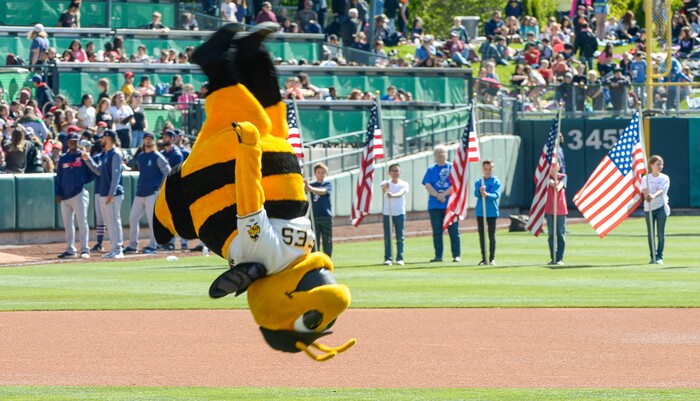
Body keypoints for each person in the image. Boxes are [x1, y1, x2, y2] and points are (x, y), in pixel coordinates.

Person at [124, 132, 171, 255]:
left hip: (152, 192)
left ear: (154, 141)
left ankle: (153, 244)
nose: (148, 141)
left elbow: (168, 171)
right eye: (146, 139)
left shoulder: (157, 156)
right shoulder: (140, 156)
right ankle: (132, 245)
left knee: (152, 220)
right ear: (143, 141)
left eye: (150, 139)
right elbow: (134, 168)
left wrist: (160, 186)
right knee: (133, 218)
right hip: (141, 192)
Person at [82, 129, 125, 259]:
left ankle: (118, 249)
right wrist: (88, 160)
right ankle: (114, 249)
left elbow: (116, 175)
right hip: (104, 192)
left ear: (109, 138)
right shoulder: (106, 153)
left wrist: (111, 193)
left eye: (104, 138)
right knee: (109, 222)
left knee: (114, 221)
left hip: (112, 194)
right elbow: (99, 171)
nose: (102, 140)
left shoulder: (115, 153)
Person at [54, 132, 93, 259]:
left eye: (75, 141)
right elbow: (58, 177)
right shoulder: (63, 158)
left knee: (82, 222)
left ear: (78, 142)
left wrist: (82, 181)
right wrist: (58, 193)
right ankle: (70, 249)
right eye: (70, 141)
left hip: (79, 193)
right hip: (65, 195)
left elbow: (93, 172)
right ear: (67, 142)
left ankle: (85, 249)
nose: (72, 143)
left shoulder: (83, 156)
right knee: (68, 224)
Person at [422, 144, 460, 262]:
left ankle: (456, 255)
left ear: (447, 154)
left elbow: (455, 184)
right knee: (437, 232)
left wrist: (444, 195)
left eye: (442, 152)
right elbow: (427, 184)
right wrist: (438, 195)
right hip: (435, 205)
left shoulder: (453, 168)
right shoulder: (431, 169)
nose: (440, 155)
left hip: (450, 205)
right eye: (438, 153)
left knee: (453, 231)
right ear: (435, 155)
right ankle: (438, 256)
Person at [641, 155, 670, 265]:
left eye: (661, 164)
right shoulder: (645, 178)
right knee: (651, 233)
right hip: (649, 209)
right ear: (651, 165)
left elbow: (662, 190)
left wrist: (653, 196)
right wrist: (647, 196)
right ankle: (653, 256)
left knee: (660, 233)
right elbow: (644, 191)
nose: (660, 166)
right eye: (658, 164)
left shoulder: (665, 178)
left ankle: (659, 256)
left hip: (661, 208)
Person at [474, 159, 501, 266]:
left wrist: (487, 195)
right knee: (482, 235)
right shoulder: (478, 181)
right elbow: (476, 194)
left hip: (492, 212)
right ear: (482, 169)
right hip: (481, 212)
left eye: (489, 169)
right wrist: (480, 191)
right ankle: (484, 257)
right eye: (485, 169)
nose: (487, 171)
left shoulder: (496, 181)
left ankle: (491, 258)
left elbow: (496, 195)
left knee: (491, 235)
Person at [381, 163, 409, 266]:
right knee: (388, 236)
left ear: (400, 172)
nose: (395, 173)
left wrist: (392, 195)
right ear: (389, 173)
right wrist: (386, 188)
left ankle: (399, 258)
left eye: (397, 171)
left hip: (399, 212)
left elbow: (401, 193)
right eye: (393, 171)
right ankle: (388, 258)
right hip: (387, 213)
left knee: (400, 236)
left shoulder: (404, 184)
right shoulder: (385, 183)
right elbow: (383, 190)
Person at [305, 162, 333, 257]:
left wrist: (311, 189)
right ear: (315, 173)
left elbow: (323, 192)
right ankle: (315, 261)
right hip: (314, 217)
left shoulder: (327, 184)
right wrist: (306, 187)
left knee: (327, 240)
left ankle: (327, 259)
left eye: (322, 172)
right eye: (318, 172)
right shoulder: (312, 185)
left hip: (325, 216)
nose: (320, 174)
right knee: (314, 241)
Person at [545, 161, 567, 265]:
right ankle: (553, 256)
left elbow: (561, 185)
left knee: (560, 234)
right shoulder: (546, 177)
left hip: (561, 209)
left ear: (559, 167)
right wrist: (551, 182)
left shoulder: (563, 176)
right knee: (551, 234)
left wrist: (557, 186)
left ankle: (560, 258)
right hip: (549, 209)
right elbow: (547, 182)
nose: (553, 168)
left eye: (555, 165)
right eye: (551, 166)